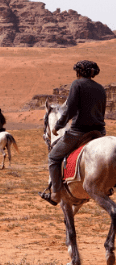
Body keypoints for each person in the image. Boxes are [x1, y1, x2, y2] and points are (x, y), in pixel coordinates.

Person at [39, 60, 106, 206]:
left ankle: (56, 194)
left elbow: (70, 109)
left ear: (79, 72)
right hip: (99, 132)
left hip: (79, 132)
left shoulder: (77, 84)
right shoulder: (101, 88)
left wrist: (59, 125)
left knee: (53, 157)